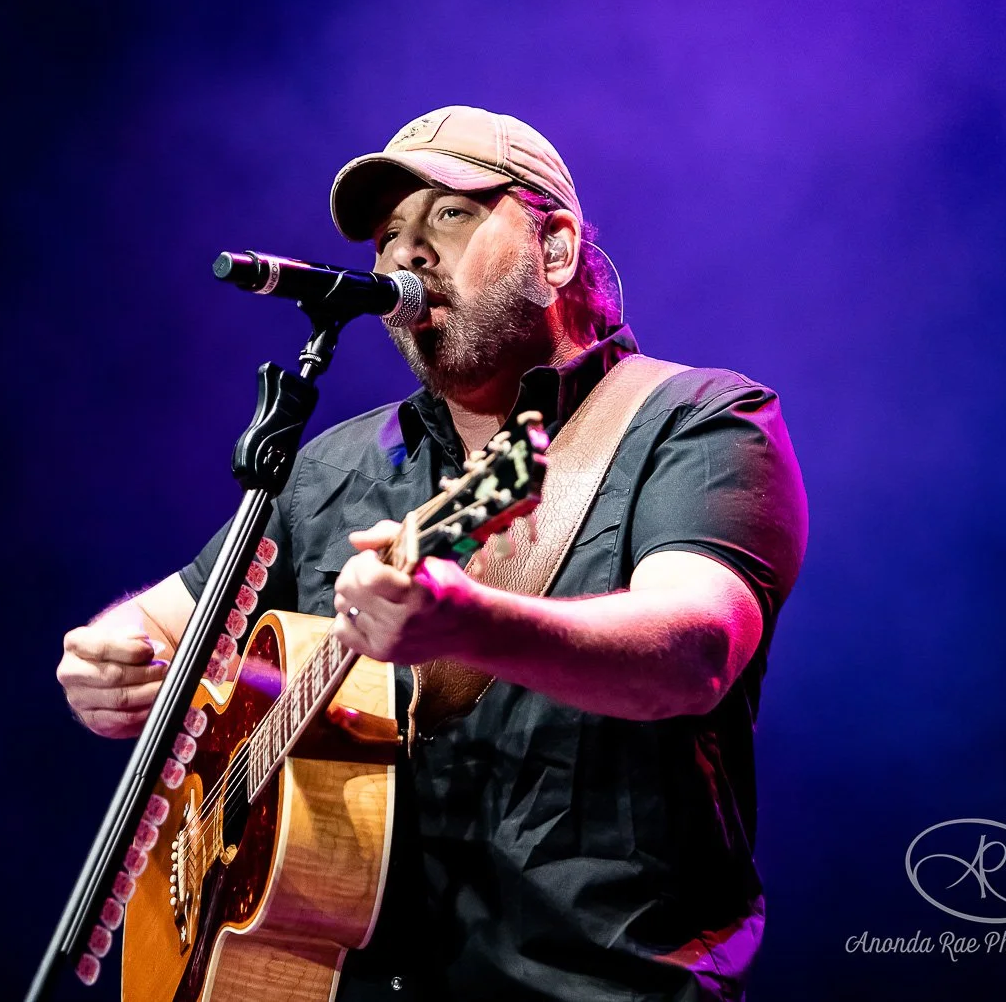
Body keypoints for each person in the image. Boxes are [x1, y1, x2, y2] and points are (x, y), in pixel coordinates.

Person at [56, 105, 809, 1001]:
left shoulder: (698, 425)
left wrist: (469, 622)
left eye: (448, 215)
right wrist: (111, 657)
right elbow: (164, 623)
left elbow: (692, 653)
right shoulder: (333, 466)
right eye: (389, 234)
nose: (406, 255)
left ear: (556, 249)